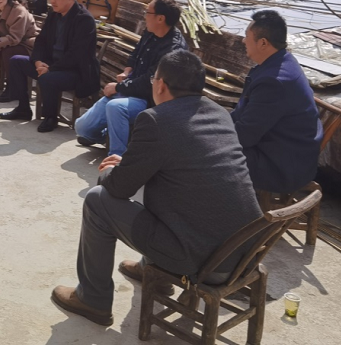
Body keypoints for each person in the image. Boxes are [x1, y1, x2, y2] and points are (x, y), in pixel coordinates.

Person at [50, 50, 262, 326]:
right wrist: (130, 164)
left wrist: (113, 171)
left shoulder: (155, 119)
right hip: (242, 252)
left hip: (203, 261)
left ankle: (93, 298)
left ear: (160, 84)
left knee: (97, 199)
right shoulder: (219, 113)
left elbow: (119, 188)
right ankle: (151, 270)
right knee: (163, 183)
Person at [74, 0, 186, 155]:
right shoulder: (151, 31)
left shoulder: (172, 50)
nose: (144, 16)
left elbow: (149, 82)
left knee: (115, 107)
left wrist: (118, 87)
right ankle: (106, 136)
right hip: (130, 90)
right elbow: (136, 53)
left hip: (149, 100)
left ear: (160, 18)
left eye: (147, 12)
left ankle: (117, 157)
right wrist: (126, 71)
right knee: (81, 128)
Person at [232, 10, 323, 194]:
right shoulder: (281, 61)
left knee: (210, 154)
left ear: (263, 43)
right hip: (279, 146)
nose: (243, 41)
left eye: (247, 36)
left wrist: (211, 136)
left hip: (281, 166)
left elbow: (245, 136)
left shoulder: (274, 81)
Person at [0, 0, 99, 133]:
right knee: (16, 61)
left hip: (75, 71)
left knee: (47, 78)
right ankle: (23, 108)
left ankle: (50, 118)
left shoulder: (84, 20)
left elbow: (77, 54)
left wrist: (50, 69)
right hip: (50, 64)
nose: (53, 1)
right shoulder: (54, 14)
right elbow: (41, 41)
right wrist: (38, 61)